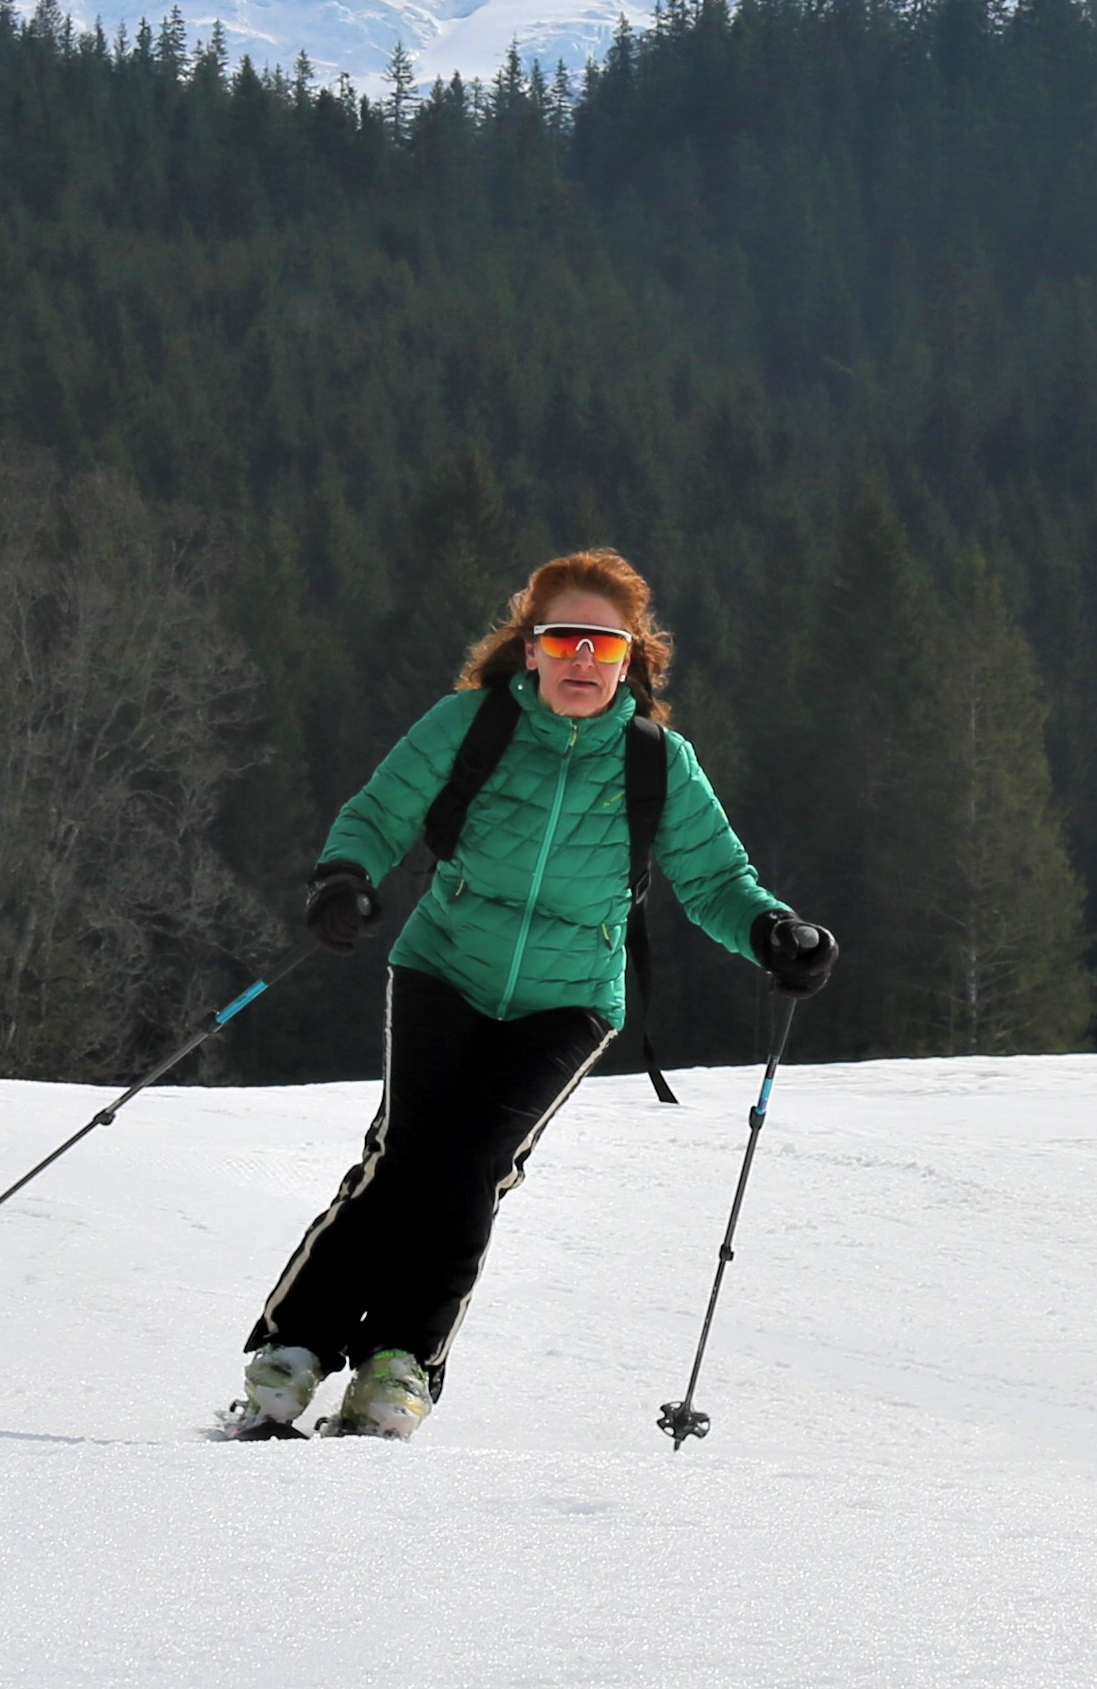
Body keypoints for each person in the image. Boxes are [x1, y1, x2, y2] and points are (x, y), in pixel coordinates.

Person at [222, 549, 833, 1439]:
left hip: (572, 992)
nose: (583, 660)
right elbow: (380, 812)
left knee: (472, 1167)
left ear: (631, 660)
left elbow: (717, 881)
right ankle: (294, 1349)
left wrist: (777, 931)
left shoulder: (656, 761)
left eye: (603, 645)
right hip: (444, 964)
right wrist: (344, 876)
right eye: (565, 639)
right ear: (532, 647)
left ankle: (402, 1361)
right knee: (406, 1156)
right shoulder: (471, 724)